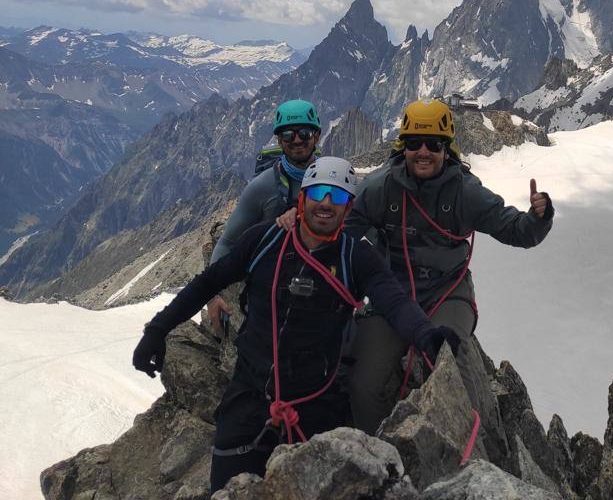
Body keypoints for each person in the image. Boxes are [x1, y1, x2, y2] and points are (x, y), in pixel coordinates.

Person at [131, 156, 460, 493]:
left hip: (314, 404)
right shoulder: (264, 239)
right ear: (302, 198)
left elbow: (394, 301)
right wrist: (157, 330)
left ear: (349, 209)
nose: (327, 204)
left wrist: (426, 336)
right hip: (249, 393)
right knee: (226, 490)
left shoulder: (356, 258)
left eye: (339, 196)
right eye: (318, 192)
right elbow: (207, 283)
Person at [344, 97, 554, 434]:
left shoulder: (465, 191)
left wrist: (538, 219)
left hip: (447, 291)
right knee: (362, 383)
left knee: (451, 372)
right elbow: (342, 231)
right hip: (393, 295)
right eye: (414, 143)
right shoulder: (382, 187)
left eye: (433, 144)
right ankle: (381, 458)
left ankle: (455, 462)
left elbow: (516, 231)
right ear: (403, 147)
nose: (423, 151)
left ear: (447, 148)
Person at [206, 99, 323, 337]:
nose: (297, 140)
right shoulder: (262, 187)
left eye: (305, 132)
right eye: (288, 134)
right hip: (269, 291)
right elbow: (228, 242)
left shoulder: (331, 182)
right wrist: (213, 295)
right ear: (279, 140)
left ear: (317, 136)